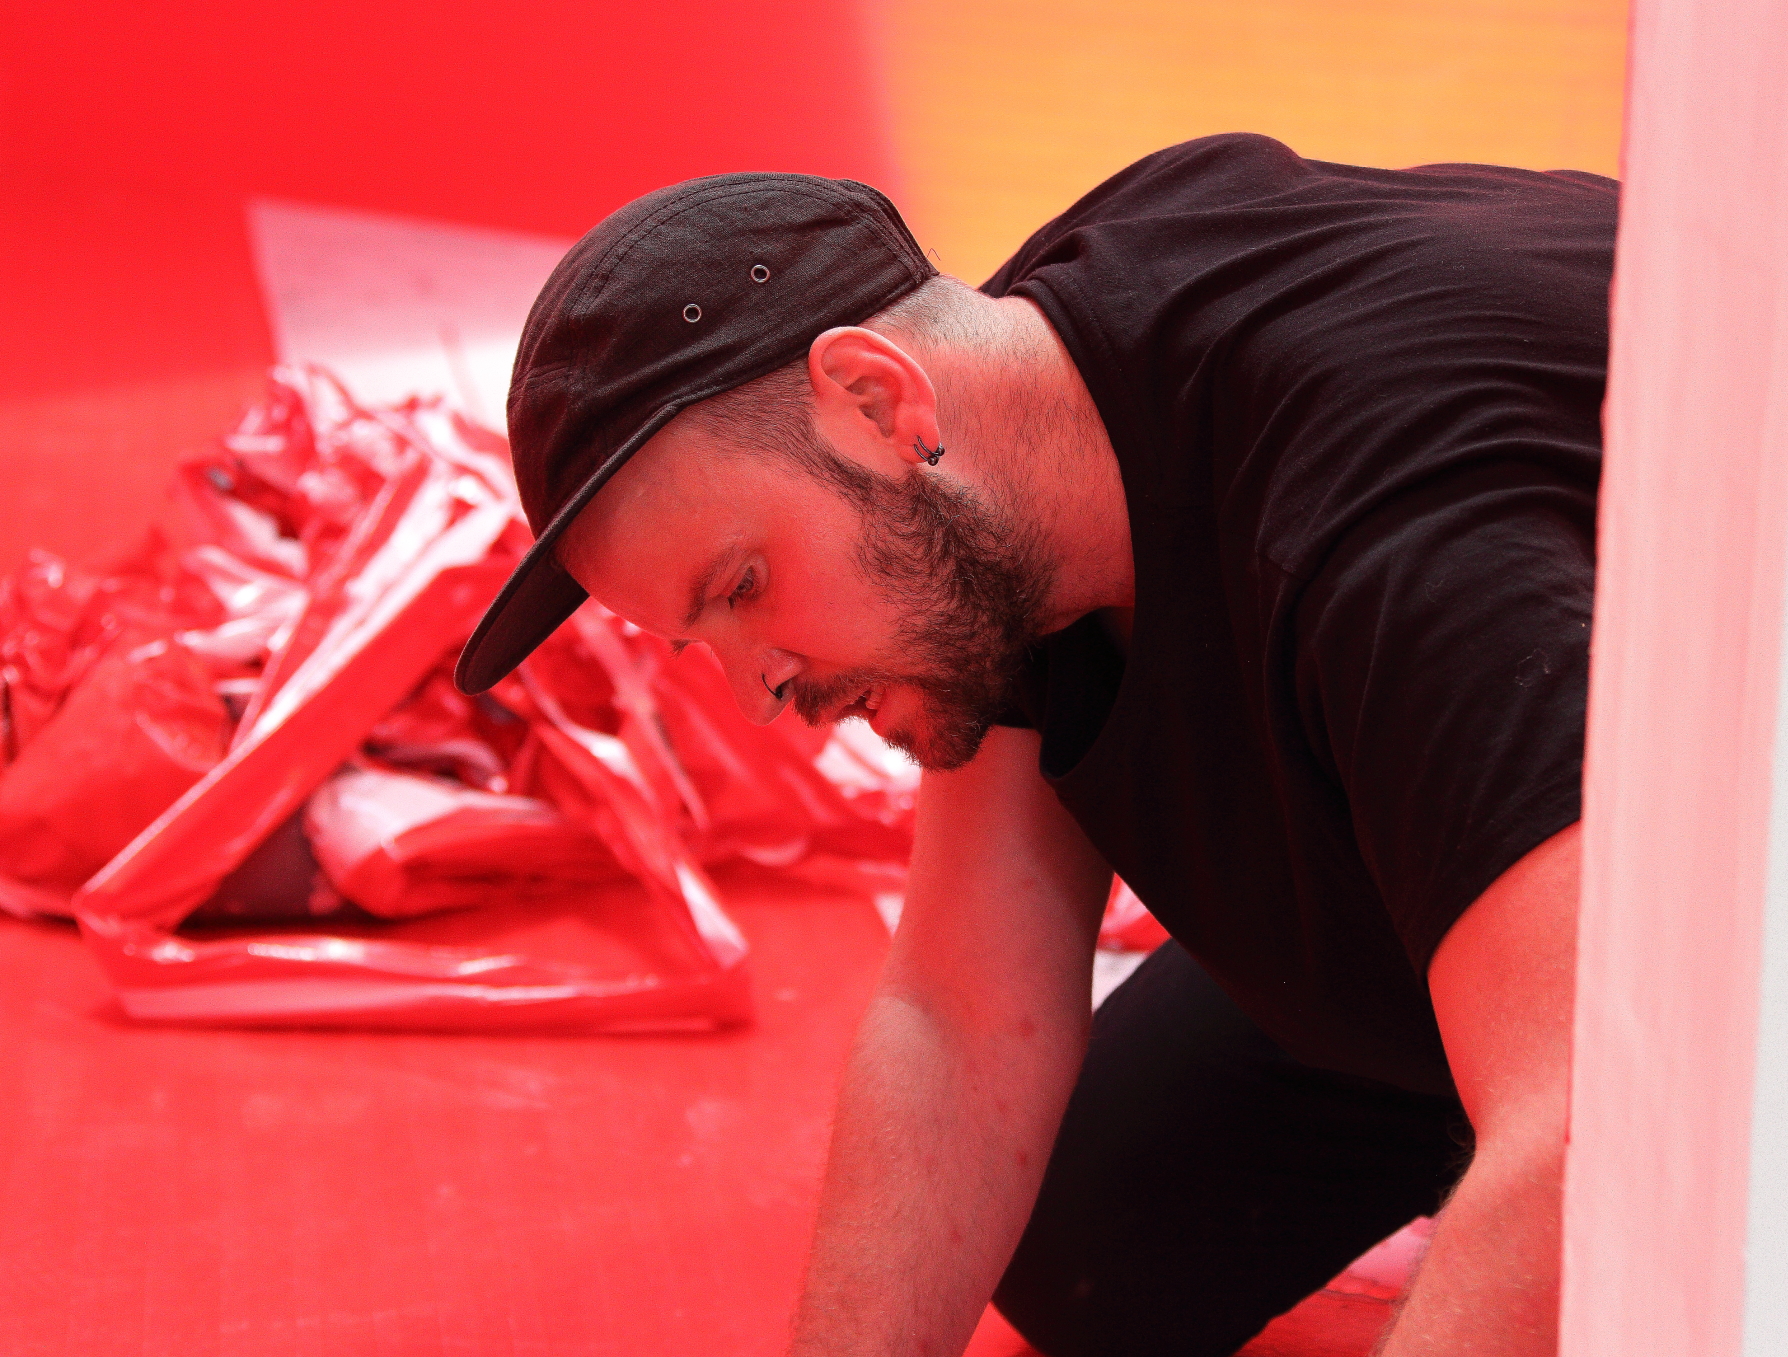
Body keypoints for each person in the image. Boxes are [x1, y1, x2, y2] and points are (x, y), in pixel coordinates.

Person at [455, 133, 1612, 1357]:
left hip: (1690, 937)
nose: (759, 696)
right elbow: (959, 1009)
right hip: (1434, 836)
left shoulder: (1405, 533)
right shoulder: (997, 417)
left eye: (743, 586)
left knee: (1601, 1222)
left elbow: (1589, 1120)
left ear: (876, 400)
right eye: (707, 641)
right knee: (1090, 1249)